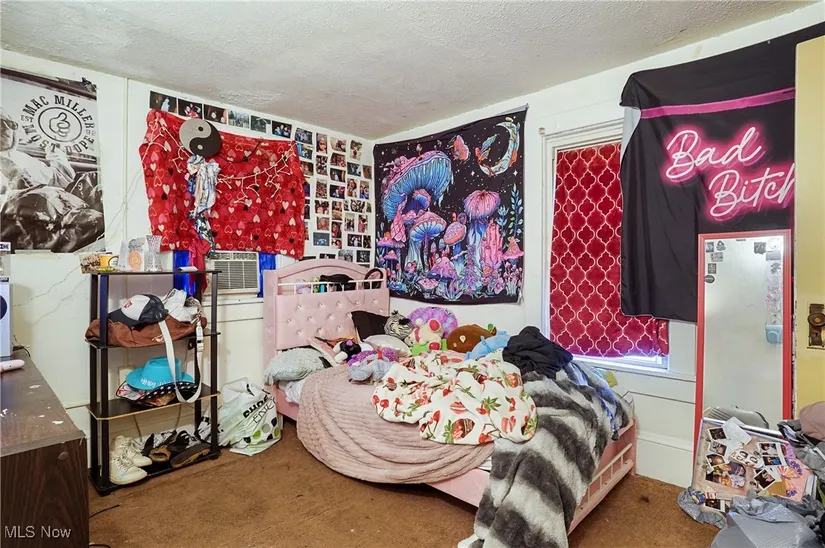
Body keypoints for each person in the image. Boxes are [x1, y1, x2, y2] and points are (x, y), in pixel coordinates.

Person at [0, 107, 75, 208]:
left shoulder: (22, 159)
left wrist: (56, 152)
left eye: (10, 124)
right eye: (0, 123)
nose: (6, 127)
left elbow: (62, 182)